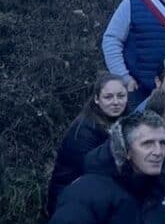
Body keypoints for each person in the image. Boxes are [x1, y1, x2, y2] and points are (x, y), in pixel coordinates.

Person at [46, 74, 128, 216]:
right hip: (69, 197)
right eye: (108, 97)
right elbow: (92, 170)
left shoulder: (124, 120)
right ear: (97, 99)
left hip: (99, 190)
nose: (116, 102)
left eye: (121, 96)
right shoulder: (85, 130)